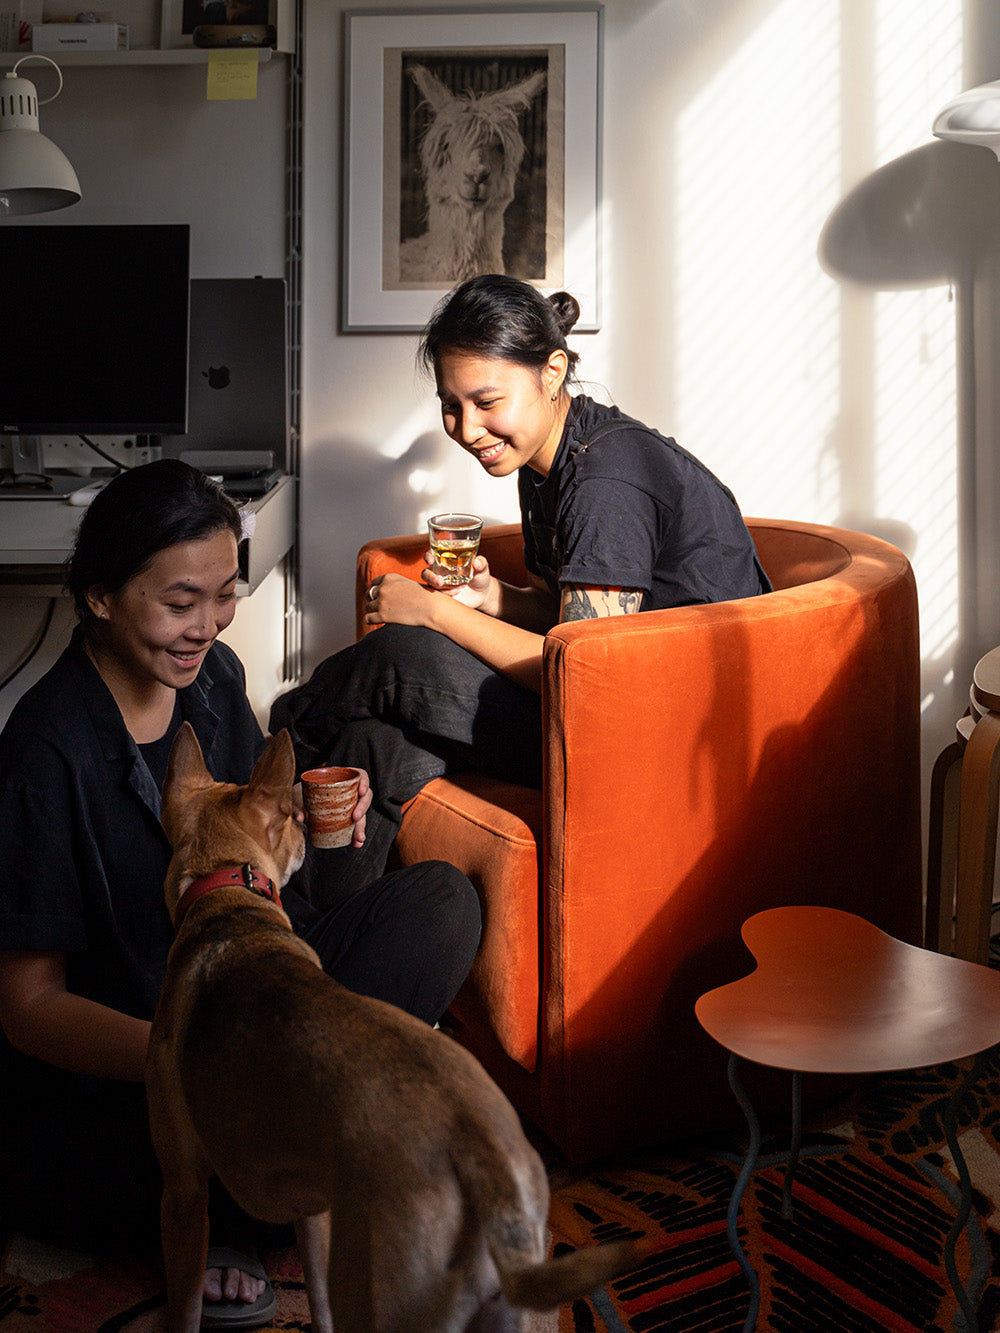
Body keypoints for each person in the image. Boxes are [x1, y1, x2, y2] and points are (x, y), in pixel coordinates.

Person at [0, 460, 481, 1328]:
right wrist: (188, 1055)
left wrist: (317, 835)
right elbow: (29, 1008)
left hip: (259, 1012)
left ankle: (274, 1184)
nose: (207, 626)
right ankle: (258, 1206)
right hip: (143, 1076)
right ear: (102, 598)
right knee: (117, 1164)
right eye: (180, 603)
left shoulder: (215, 679)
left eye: (224, 596)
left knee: (440, 904)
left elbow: (269, 885)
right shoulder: (46, 750)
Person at [270, 273, 771, 880]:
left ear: (552, 372)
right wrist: (494, 598)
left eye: (486, 402)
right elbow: (576, 623)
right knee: (376, 745)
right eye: (451, 407)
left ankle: (260, 764)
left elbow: (587, 675)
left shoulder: (606, 477)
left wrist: (436, 612)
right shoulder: (546, 465)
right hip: (618, 702)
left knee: (401, 655)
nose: (468, 429)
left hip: (663, 734)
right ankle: (318, 924)